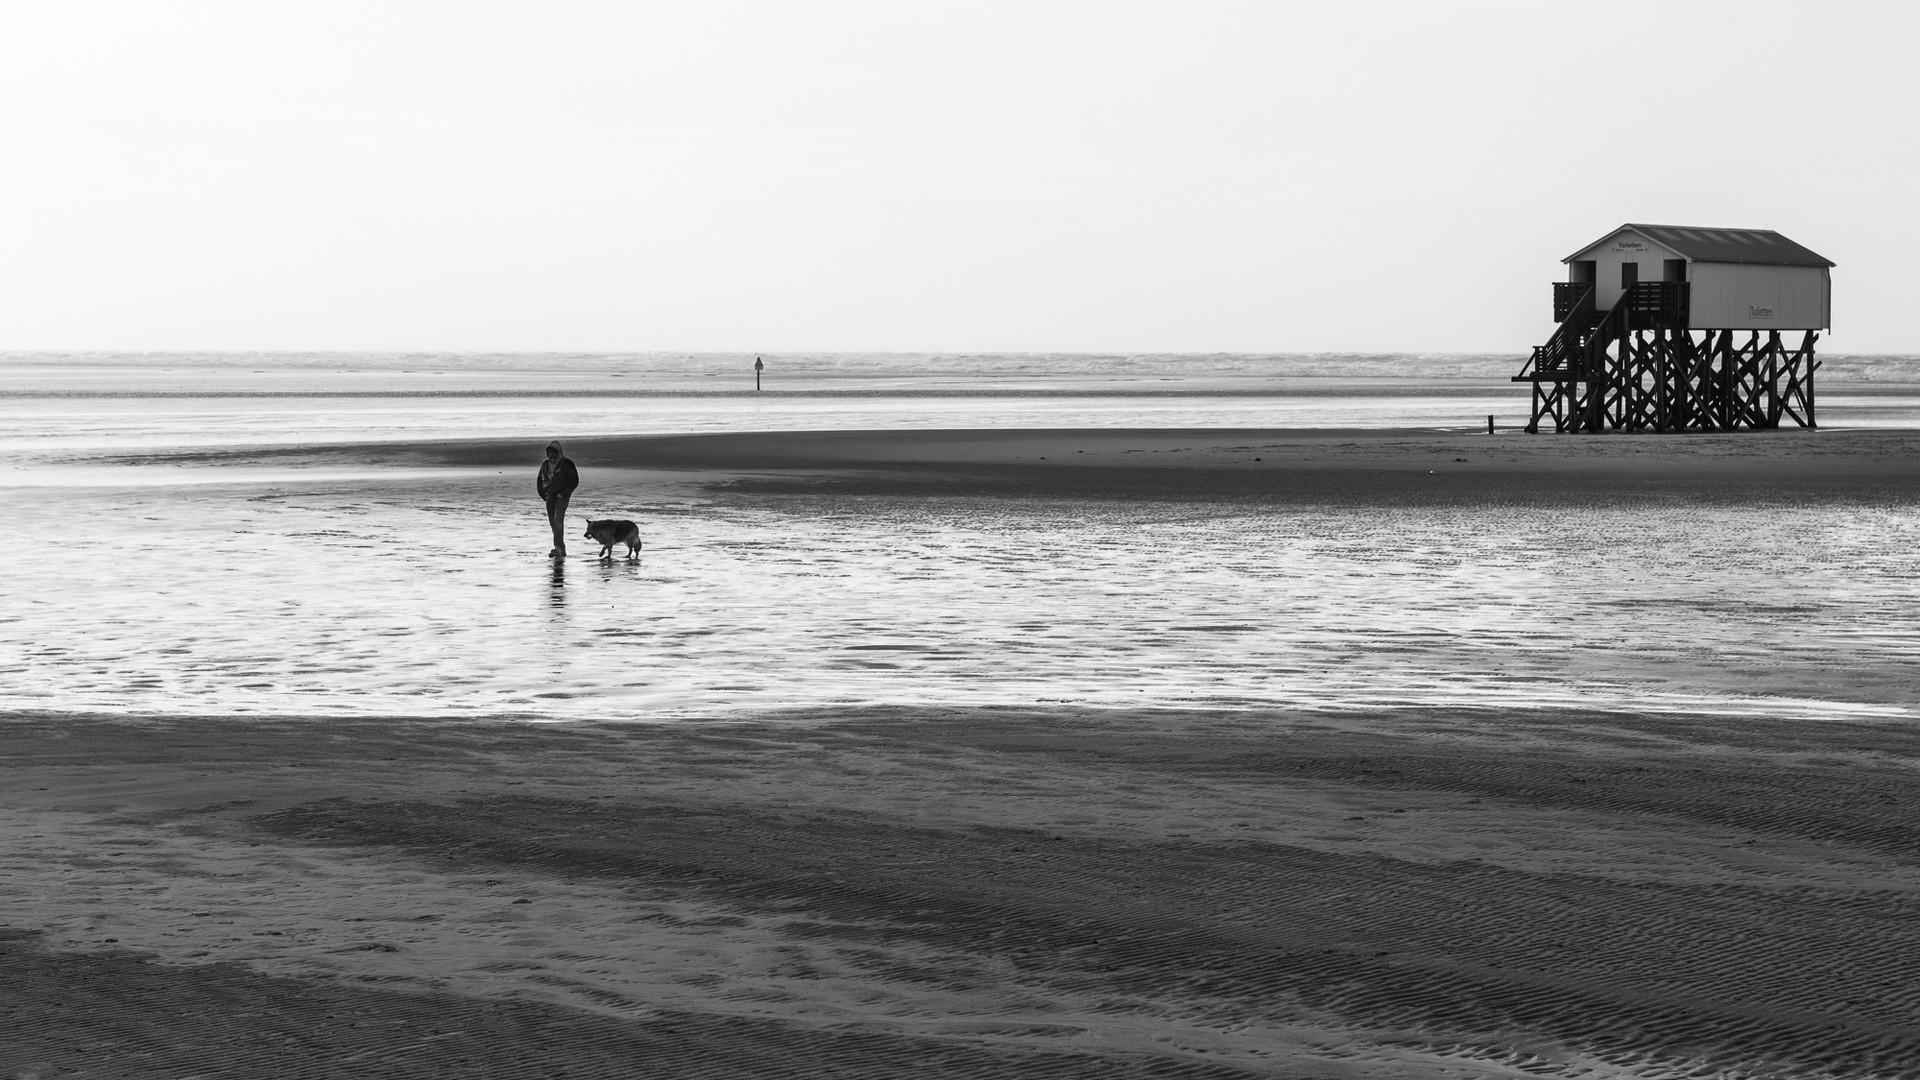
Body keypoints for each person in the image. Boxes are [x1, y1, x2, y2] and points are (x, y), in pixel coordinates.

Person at [536, 440, 579, 557]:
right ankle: (561, 549)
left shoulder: (567, 464)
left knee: (557, 520)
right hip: (549, 497)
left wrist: (564, 493)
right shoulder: (545, 465)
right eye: (549, 452)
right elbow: (540, 480)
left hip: (561, 497)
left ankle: (558, 548)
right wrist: (543, 494)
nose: (551, 454)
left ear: (559, 452)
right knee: (552, 523)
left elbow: (574, 481)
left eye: (554, 452)